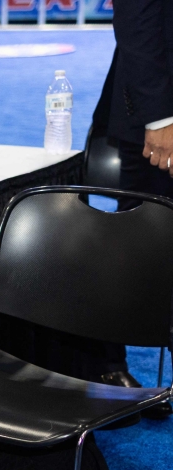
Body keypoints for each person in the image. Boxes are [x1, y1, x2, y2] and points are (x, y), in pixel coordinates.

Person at [87, 0, 172, 418]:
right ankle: (105, 366)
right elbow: (138, 13)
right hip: (161, 115)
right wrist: (158, 118)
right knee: (137, 250)